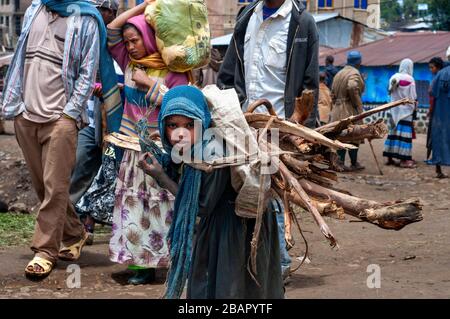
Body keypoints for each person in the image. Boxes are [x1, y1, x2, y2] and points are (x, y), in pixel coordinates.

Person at [0, 0, 121, 278]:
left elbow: (87, 73)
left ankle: (45, 251)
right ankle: (75, 232)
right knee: (43, 186)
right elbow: (20, 59)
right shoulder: (34, 10)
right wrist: (17, 106)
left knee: (55, 186)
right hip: (26, 115)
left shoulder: (87, 19)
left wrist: (69, 114)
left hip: (60, 119)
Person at [138, 85, 284, 299]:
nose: (180, 133)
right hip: (222, 224)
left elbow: (201, 206)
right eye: (172, 125)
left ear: (203, 120)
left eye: (190, 124)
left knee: (230, 289)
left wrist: (161, 176)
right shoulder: (193, 148)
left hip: (235, 226)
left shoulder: (211, 153)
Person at [217, 0, 319, 283]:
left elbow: (310, 82)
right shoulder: (246, 17)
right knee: (243, 192)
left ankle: (280, 264)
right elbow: (229, 72)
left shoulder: (302, 23)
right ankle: (253, 260)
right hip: (243, 123)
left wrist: (303, 133)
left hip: (280, 127)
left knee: (272, 195)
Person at [106, 2, 190, 285]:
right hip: (132, 151)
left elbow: (181, 106)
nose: (129, 46)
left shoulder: (173, 70)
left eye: (136, 40)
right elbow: (112, 30)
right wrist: (144, 6)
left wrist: (149, 85)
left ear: (150, 38)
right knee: (134, 206)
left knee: (163, 205)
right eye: (128, 42)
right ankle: (141, 266)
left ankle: (170, 260)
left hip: (162, 153)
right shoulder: (130, 65)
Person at [69, 0, 120, 246]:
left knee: (111, 170)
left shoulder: (120, 42)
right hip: (89, 116)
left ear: (112, 12)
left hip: (120, 118)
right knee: (81, 163)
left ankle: (91, 221)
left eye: (103, 10)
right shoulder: (83, 35)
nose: (98, 14)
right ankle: (73, 222)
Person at [330, 50, 365, 172]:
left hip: (337, 109)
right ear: (359, 62)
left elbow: (332, 93)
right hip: (349, 108)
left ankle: (342, 162)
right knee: (354, 136)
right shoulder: (354, 73)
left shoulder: (339, 73)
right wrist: (357, 103)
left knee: (341, 136)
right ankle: (350, 163)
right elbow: (352, 86)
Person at [383, 59, 417, 168]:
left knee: (393, 134)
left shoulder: (393, 77)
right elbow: (412, 97)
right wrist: (413, 107)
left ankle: (390, 157)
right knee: (404, 136)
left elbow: (390, 92)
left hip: (394, 111)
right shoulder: (410, 79)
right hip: (405, 112)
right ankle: (404, 160)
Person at [429, 51, 450, 178]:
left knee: (438, 138)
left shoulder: (441, 73)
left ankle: (438, 169)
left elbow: (431, 91)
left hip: (441, 113)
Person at [426, 57, 444, 161]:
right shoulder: (437, 78)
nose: (430, 70)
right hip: (437, 110)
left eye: (432, 67)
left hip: (439, 111)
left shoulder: (439, 78)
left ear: (438, 67)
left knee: (435, 134)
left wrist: (431, 109)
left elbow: (434, 96)